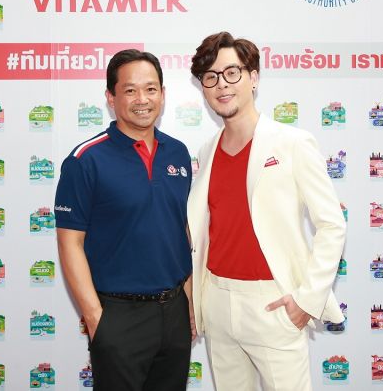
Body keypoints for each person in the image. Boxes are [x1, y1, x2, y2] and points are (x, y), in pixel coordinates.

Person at [187, 31, 346, 391]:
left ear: (253, 77)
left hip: (272, 303)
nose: (221, 84)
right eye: (210, 77)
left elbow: (332, 225)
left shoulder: (293, 143)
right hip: (218, 302)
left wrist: (307, 300)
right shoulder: (206, 151)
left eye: (232, 72)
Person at [55, 49, 193, 391]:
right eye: (130, 90)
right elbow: (70, 243)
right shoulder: (85, 160)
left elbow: (181, 231)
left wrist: (189, 302)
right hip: (118, 316)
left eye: (151, 89)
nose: (142, 99)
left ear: (163, 94)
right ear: (111, 97)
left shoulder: (178, 153)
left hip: (174, 312)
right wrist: (96, 318)